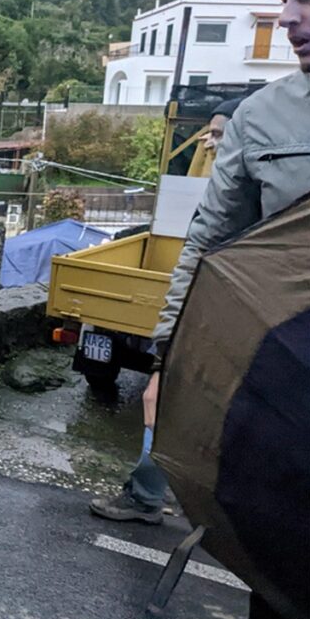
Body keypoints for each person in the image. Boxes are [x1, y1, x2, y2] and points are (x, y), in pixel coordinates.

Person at [127, 0, 310, 619]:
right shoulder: (265, 116)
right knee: (281, 592)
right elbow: (209, 247)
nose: (289, 17)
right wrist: (165, 361)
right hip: (292, 395)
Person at [89, 97, 242, 525]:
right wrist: (165, 352)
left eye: (218, 135)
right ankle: (148, 495)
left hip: (228, 323)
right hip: (205, 321)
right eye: (208, 134)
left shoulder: (251, 196)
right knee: (167, 406)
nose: (208, 144)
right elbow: (190, 262)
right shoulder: (221, 193)